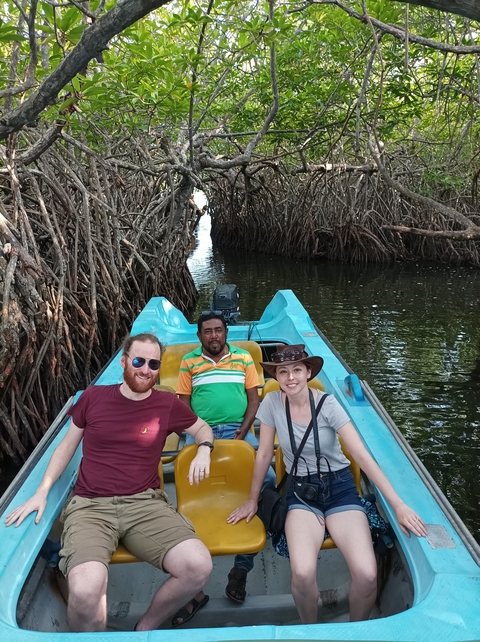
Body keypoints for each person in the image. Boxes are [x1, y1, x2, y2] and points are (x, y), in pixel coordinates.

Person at [5, 333, 214, 633]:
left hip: (144, 503)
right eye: (139, 361)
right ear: (124, 361)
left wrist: (204, 449)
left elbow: (202, 428)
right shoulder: (93, 397)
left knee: (198, 567)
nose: (146, 370)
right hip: (91, 506)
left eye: (154, 364)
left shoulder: (166, 403)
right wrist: (42, 491)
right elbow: (66, 447)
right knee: (86, 591)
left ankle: (144, 629)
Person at [227, 344, 427, 624]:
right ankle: (312, 630)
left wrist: (398, 504)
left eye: (297, 370)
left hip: (340, 490)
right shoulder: (272, 403)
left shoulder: (327, 404)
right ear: (277, 377)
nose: (290, 378)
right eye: (283, 372)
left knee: (367, 575)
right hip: (300, 493)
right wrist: (251, 499)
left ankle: (354, 631)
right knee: (303, 574)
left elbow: (360, 455)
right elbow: (263, 454)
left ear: (308, 372)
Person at [174, 312, 276, 623]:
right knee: (184, 499)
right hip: (198, 432)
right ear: (200, 336)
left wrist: (243, 432)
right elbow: (183, 402)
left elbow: (254, 400)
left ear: (226, 331)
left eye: (219, 330)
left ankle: (240, 571)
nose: (214, 336)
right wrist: (198, 432)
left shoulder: (244, 357)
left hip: (239, 430)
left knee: (267, 489)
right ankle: (193, 587)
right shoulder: (189, 362)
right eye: (208, 332)